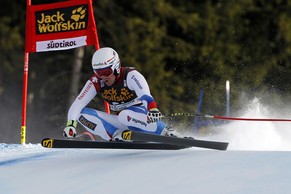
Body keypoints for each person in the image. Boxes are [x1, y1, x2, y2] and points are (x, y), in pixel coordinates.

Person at [63, 47, 180, 141]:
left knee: (124, 115)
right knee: (80, 114)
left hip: (141, 119)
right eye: (98, 72)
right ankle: (116, 136)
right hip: (123, 123)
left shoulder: (130, 76)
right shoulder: (96, 81)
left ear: (116, 68)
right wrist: (71, 125)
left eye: (106, 72)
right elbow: (78, 103)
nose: (103, 77)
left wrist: (152, 108)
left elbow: (145, 95)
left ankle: (165, 131)